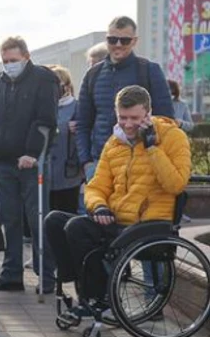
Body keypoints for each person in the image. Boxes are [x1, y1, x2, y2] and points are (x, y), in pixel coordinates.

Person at [45, 85, 190, 308]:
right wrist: (99, 206)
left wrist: (152, 148)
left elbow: (177, 184)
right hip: (116, 219)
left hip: (148, 224)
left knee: (77, 227)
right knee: (54, 220)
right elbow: (96, 186)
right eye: (123, 117)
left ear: (148, 114)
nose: (128, 124)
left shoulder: (172, 137)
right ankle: (79, 279)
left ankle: (97, 297)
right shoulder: (115, 142)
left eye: (135, 118)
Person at [0, 36, 59, 293]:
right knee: (9, 220)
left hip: (31, 163)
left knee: (37, 220)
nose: (9, 65)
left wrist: (32, 152)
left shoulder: (43, 79)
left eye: (14, 60)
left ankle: (46, 276)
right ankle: (11, 275)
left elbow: (46, 119)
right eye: (5, 61)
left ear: (26, 57)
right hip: (4, 165)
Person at [76, 16, 174, 183]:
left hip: (141, 162)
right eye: (113, 39)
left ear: (134, 41)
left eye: (125, 40)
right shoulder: (93, 74)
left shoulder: (149, 70)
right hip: (100, 162)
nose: (118, 44)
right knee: (99, 208)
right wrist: (86, 162)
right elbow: (83, 123)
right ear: (106, 40)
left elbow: (166, 120)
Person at [47, 65, 84, 214]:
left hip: (70, 174)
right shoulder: (44, 108)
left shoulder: (78, 107)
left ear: (67, 86)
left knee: (68, 214)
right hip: (46, 175)